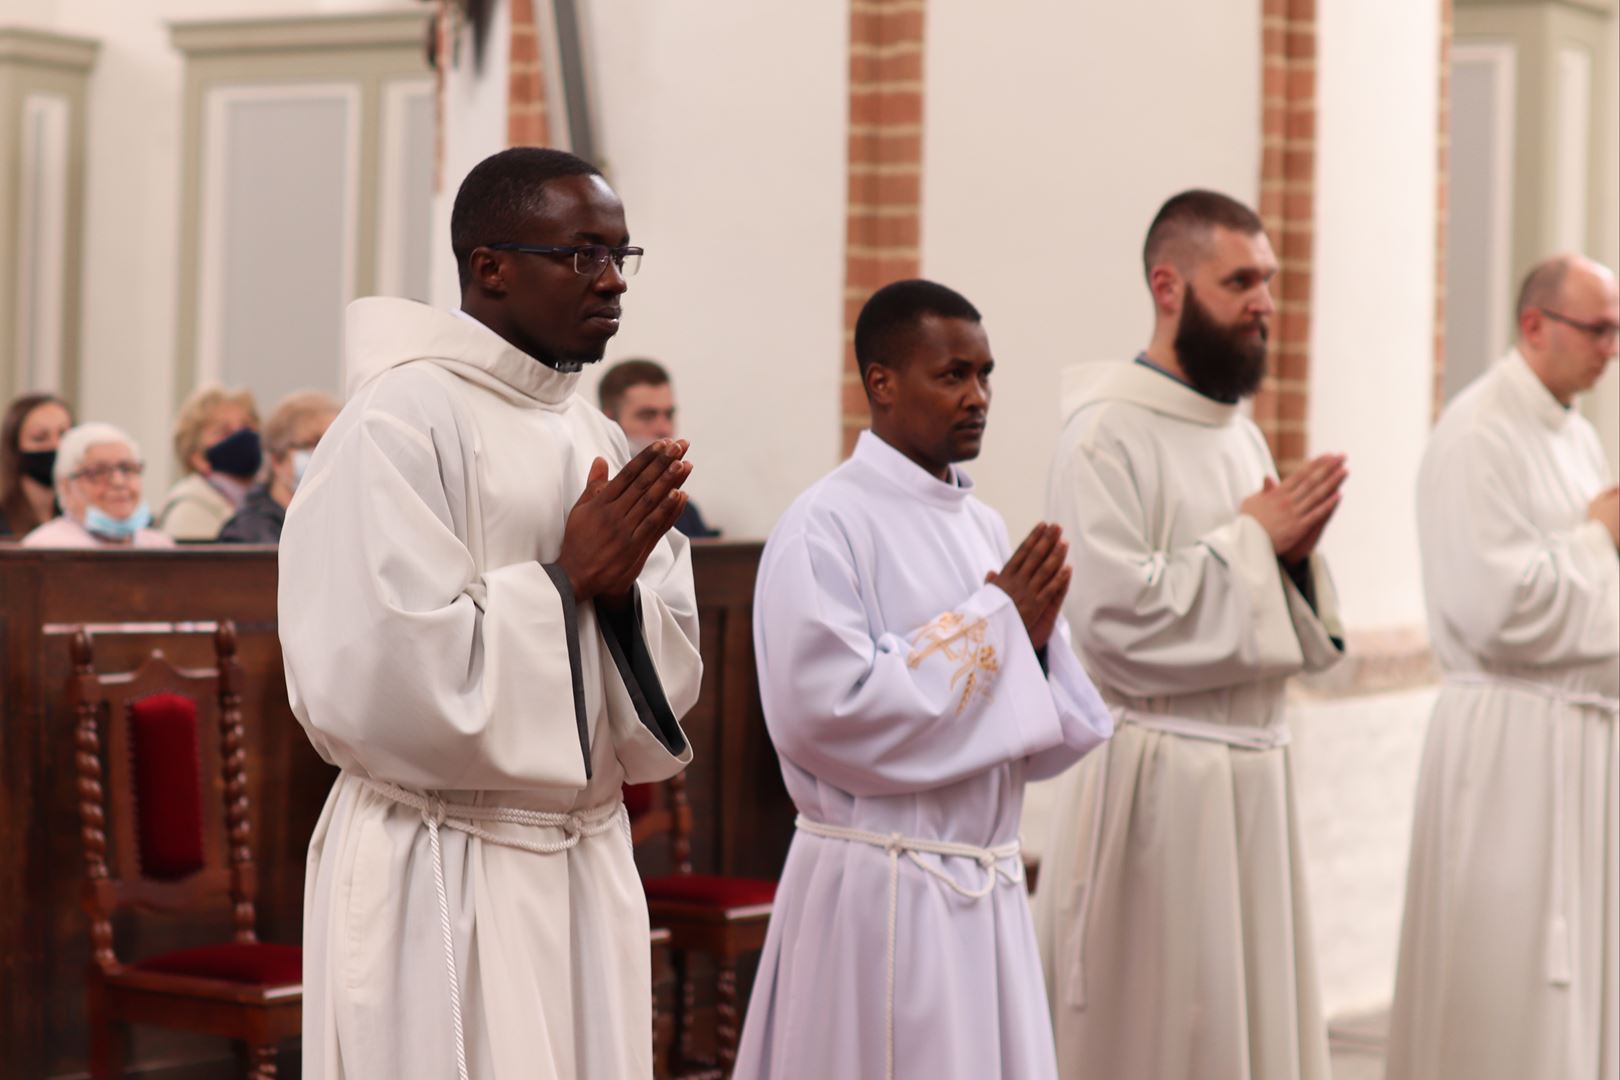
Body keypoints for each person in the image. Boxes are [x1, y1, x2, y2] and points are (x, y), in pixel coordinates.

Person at [278, 146, 702, 1080]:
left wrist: (621, 591)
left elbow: (661, 692)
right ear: (490, 267)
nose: (611, 284)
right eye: (583, 254)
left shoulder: (589, 431)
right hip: (447, 864)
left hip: (583, 859)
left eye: (621, 258)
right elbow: (379, 676)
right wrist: (564, 583)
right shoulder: (398, 419)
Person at [733, 279, 1113, 1079]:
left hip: (983, 884)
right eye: (953, 375)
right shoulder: (824, 524)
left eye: (985, 375)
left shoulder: (982, 524)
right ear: (882, 382)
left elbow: (1040, 729)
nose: (978, 397)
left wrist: (1032, 644)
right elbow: (829, 715)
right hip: (883, 887)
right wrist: (999, 622)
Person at [1031, 190, 1347, 1080]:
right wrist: (1256, 544)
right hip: (1158, 784)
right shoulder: (1104, 436)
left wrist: (1288, 560)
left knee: (1241, 1032)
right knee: (1162, 1033)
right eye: (1240, 279)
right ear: (1168, 286)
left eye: (1269, 281)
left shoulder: (1239, 435)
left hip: (1251, 777)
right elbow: (1113, 619)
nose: (1264, 302)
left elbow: (1263, 589)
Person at [1385, 254, 1619, 1080]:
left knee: (1573, 994)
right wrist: (1599, 541)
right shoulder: (1478, 432)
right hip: (1510, 749)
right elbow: (1496, 605)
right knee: (1503, 985)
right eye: (1599, 328)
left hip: (1573, 742)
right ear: (1535, 325)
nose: (1612, 349)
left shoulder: (1577, 435)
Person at [598, 358, 718, 537]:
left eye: (668, 415)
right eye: (647, 415)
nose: (664, 428)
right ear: (610, 421)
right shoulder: (590, 506)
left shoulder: (685, 513)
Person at [22, 422, 174, 549]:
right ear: (66, 486)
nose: (118, 482)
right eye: (98, 472)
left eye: (127, 468)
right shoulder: (45, 549)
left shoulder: (160, 546)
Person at [218, 390, 339, 543]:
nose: (323, 455)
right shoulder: (247, 533)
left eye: (331, 445)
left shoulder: (336, 521)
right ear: (276, 459)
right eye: (313, 444)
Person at [157, 384, 261, 541]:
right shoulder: (189, 510)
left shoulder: (265, 500)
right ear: (197, 457)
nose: (242, 436)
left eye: (246, 426)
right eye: (225, 432)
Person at [0, 392, 73, 538]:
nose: (56, 445)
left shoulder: (77, 513)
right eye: (40, 438)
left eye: (64, 435)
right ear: (14, 447)